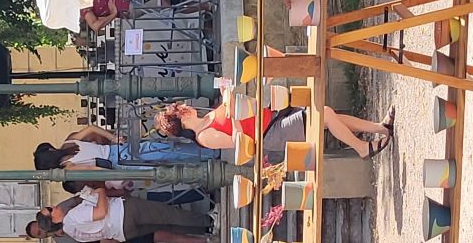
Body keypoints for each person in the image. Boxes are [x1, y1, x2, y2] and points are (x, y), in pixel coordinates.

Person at [153, 99, 394, 160]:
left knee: (330, 117)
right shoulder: (204, 136)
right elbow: (237, 142)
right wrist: (235, 114)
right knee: (326, 114)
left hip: (271, 116)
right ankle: (362, 148)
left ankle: (380, 129)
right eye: (181, 109)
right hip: (270, 134)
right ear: (181, 120)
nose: (186, 106)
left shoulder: (207, 116)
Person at [53, 188, 212, 243]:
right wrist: (100, 192)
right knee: (167, 214)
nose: (55, 208)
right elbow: (101, 212)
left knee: (167, 226)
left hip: (122, 233)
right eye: (51, 211)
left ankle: (204, 229)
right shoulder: (73, 216)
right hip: (124, 212)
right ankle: (209, 221)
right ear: (54, 221)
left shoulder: (73, 233)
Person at [34, 122, 130, 172]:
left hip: (114, 163)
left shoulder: (67, 167)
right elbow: (91, 128)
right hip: (114, 148)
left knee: (143, 167)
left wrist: (112, 174)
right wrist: (113, 138)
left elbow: (90, 168)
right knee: (143, 149)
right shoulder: (69, 141)